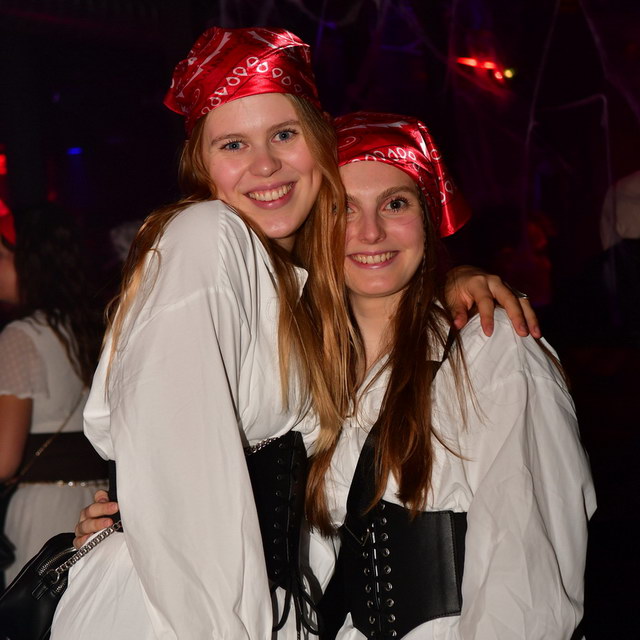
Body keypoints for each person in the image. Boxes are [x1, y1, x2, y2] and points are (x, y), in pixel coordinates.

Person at [54, 28, 538, 640]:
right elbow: (178, 481)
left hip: (254, 608)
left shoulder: (292, 286)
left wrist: (445, 281)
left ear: (318, 144)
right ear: (201, 164)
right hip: (189, 615)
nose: (265, 165)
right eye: (234, 144)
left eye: (284, 135)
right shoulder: (208, 238)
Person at [305, 112, 596, 639]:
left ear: (428, 217)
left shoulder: (490, 347)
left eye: (395, 204)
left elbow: (526, 575)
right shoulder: (306, 371)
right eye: (341, 208)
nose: (369, 232)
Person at [0, 204, 106, 586]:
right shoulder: (94, 326)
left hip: (43, 509)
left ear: (30, 263)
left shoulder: (20, 336)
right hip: (98, 503)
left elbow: (3, 461)